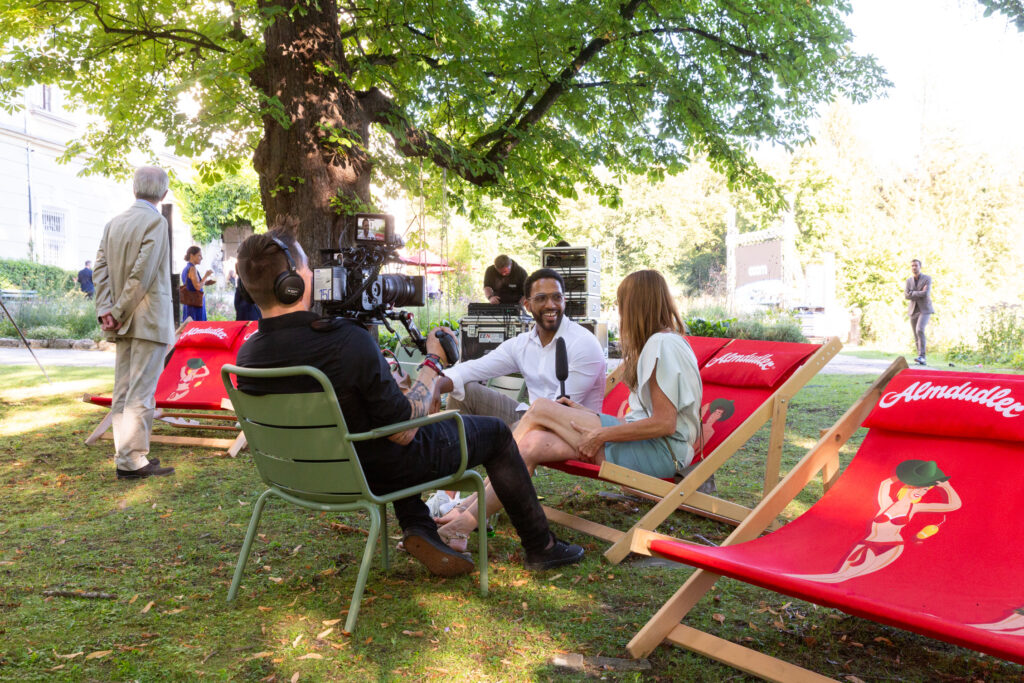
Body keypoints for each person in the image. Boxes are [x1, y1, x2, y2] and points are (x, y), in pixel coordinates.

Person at [233, 231, 584, 576]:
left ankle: (420, 526)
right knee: (495, 433)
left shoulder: (247, 355)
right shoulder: (345, 342)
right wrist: (431, 365)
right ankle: (542, 547)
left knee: (377, 432)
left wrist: (390, 385)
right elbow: (403, 433)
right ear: (292, 281)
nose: (314, 275)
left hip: (300, 474)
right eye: (308, 268)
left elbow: (355, 411)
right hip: (374, 471)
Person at [436, 270, 702, 546]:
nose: (621, 313)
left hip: (661, 452)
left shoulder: (662, 345)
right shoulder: (660, 343)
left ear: (636, 305)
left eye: (622, 303)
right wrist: (586, 415)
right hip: (643, 444)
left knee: (540, 408)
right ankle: (461, 526)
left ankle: (465, 506)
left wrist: (602, 434)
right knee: (532, 444)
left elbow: (664, 424)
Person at [435, 268, 606, 427]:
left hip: (568, 429)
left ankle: (488, 447)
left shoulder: (583, 343)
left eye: (556, 297)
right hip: (533, 418)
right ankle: (453, 455)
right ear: (527, 305)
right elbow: (473, 368)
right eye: (541, 298)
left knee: (497, 438)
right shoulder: (522, 344)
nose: (551, 305)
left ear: (564, 301)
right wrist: (433, 386)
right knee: (463, 390)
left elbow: (558, 414)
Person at [92, 166, 176, 480]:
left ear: (134, 190)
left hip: (120, 319)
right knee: (140, 392)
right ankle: (132, 460)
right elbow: (143, 272)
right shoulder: (156, 221)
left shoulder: (113, 223)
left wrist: (107, 310)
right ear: (163, 194)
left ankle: (128, 457)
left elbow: (100, 269)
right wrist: (120, 309)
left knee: (123, 391)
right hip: (146, 318)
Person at [786, 459, 961, 584]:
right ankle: (796, 579)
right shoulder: (886, 504)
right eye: (918, 487)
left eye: (925, 489)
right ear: (908, 485)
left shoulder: (915, 508)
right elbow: (885, 484)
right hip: (867, 544)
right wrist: (904, 477)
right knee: (840, 575)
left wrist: (946, 486)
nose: (921, 492)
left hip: (893, 547)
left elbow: (954, 505)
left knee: (845, 577)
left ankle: (793, 580)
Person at [905, 259, 933, 365]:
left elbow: (926, 294)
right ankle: (919, 358)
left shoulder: (927, 278)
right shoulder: (908, 281)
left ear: (920, 267)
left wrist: (913, 293)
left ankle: (922, 356)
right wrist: (919, 292)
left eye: (916, 265)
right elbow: (906, 295)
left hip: (925, 309)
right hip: (913, 309)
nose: (914, 267)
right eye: (912, 265)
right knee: (915, 334)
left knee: (919, 329)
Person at [181, 246, 215, 322]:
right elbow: (198, 287)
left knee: (189, 327)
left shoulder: (186, 268)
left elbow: (191, 284)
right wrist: (206, 275)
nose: (201, 258)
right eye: (199, 255)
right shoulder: (192, 269)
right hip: (195, 305)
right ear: (191, 256)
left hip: (189, 303)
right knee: (197, 327)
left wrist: (205, 282)